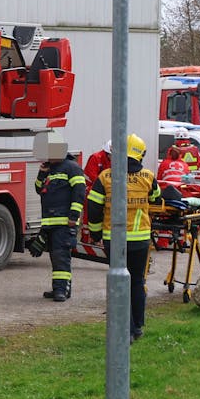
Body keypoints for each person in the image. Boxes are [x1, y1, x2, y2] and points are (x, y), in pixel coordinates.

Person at [85, 132, 161, 342]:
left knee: (120, 283)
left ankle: (125, 330)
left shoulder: (106, 177)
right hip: (140, 240)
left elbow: (93, 206)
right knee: (137, 281)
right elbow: (156, 198)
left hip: (114, 239)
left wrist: (94, 232)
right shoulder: (148, 176)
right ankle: (137, 327)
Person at [33, 133, 88, 302]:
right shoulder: (50, 168)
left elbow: (79, 192)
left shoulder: (72, 167)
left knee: (61, 256)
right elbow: (38, 189)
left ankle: (61, 291)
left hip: (64, 222)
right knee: (55, 257)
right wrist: (42, 174)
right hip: (50, 223)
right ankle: (61, 287)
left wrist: (73, 216)